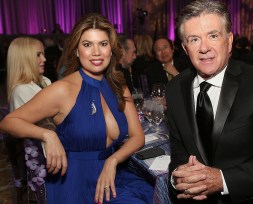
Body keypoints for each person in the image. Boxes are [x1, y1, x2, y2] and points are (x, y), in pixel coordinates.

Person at [0, 13, 153, 204]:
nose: (96, 52)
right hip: (75, 183)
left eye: (103, 44)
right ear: (76, 51)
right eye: (87, 44)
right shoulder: (63, 90)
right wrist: (48, 135)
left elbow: (138, 136)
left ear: (112, 50)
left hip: (114, 175)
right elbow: (8, 122)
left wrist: (113, 161)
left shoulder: (118, 87)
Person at [166, 1, 253, 204]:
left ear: (229, 41)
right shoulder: (175, 88)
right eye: (194, 39)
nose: (204, 48)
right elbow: (179, 149)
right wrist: (177, 176)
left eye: (213, 36)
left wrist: (223, 180)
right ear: (185, 49)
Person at [5, 37, 52, 203]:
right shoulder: (21, 90)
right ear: (24, 60)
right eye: (38, 55)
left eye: (43, 54)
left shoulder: (45, 81)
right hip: (39, 157)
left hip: (49, 151)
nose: (44, 59)